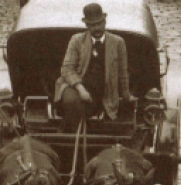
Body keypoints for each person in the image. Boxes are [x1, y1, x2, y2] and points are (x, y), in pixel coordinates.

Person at [54, 3, 136, 132]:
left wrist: (126, 96)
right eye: (92, 25)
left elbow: (122, 72)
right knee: (72, 102)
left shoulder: (118, 42)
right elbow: (67, 69)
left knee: (83, 107)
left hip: (101, 92)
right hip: (74, 87)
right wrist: (81, 89)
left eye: (99, 23)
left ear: (105, 21)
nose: (97, 28)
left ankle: (68, 133)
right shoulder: (76, 40)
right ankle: (74, 137)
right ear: (86, 25)